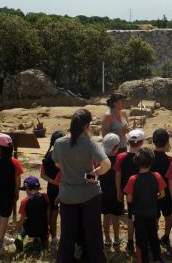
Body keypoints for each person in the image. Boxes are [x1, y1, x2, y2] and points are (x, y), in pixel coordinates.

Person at [54, 109, 111, 263]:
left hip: (67, 194)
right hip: (89, 194)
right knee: (93, 234)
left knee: (67, 234)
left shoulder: (59, 142)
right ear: (87, 125)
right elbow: (106, 164)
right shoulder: (89, 142)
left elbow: (57, 163)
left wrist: (69, 171)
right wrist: (92, 175)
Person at [124, 147, 167, 263]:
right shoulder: (157, 176)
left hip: (138, 214)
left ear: (136, 162)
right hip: (152, 212)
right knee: (153, 235)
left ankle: (143, 259)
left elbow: (128, 198)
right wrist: (154, 197)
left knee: (140, 238)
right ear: (152, 161)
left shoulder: (133, 179)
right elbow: (162, 194)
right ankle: (157, 257)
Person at [0, 133, 23, 255]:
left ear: (0, 148)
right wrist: (16, 193)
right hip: (8, 195)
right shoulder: (15, 163)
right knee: (4, 218)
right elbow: (17, 180)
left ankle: (0, 239)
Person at [116, 129, 145, 254]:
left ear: (128, 141)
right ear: (142, 142)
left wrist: (118, 191)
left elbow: (118, 174)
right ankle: (142, 241)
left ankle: (129, 242)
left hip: (127, 191)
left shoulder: (121, 156)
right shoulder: (144, 156)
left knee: (130, 216)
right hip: (142, 191)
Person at [40, 131, 64, 247]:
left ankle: (53, 238)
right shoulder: (64, 156)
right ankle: (64, 238)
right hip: (65, 188)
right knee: (65, 214)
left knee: (53, 214)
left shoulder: (47, 156)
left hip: (52, 188)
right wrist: (58, 182)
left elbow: (42, 175)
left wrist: (53, 182)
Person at [151, 128, 172, 248]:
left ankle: (153, 236)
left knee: (154, 217)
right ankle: (166, 237)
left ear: (153, 141)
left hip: (152, 193)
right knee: (168, 215)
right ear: (166, 143)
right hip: (165, 191)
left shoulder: (149, 158)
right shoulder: (169, 160)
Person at [99, 133, 124, 248]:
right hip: (116, 192)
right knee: (115, 216)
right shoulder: (120, 160)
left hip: (103, 192)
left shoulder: (100, 159)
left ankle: (107, 238)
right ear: (116, 147)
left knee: (106, 216)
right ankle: (117, 237)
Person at [16, 176, 50, 250]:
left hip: (30, 230)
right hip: (43, 227)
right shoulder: (45, 197)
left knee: (21, 228)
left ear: (27, 189)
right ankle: (44, 240)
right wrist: (47, 223)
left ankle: (19, 239)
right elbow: (48, 212)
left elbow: (22, 219)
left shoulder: (25, 201)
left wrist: (17, 226)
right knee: (42, 226)